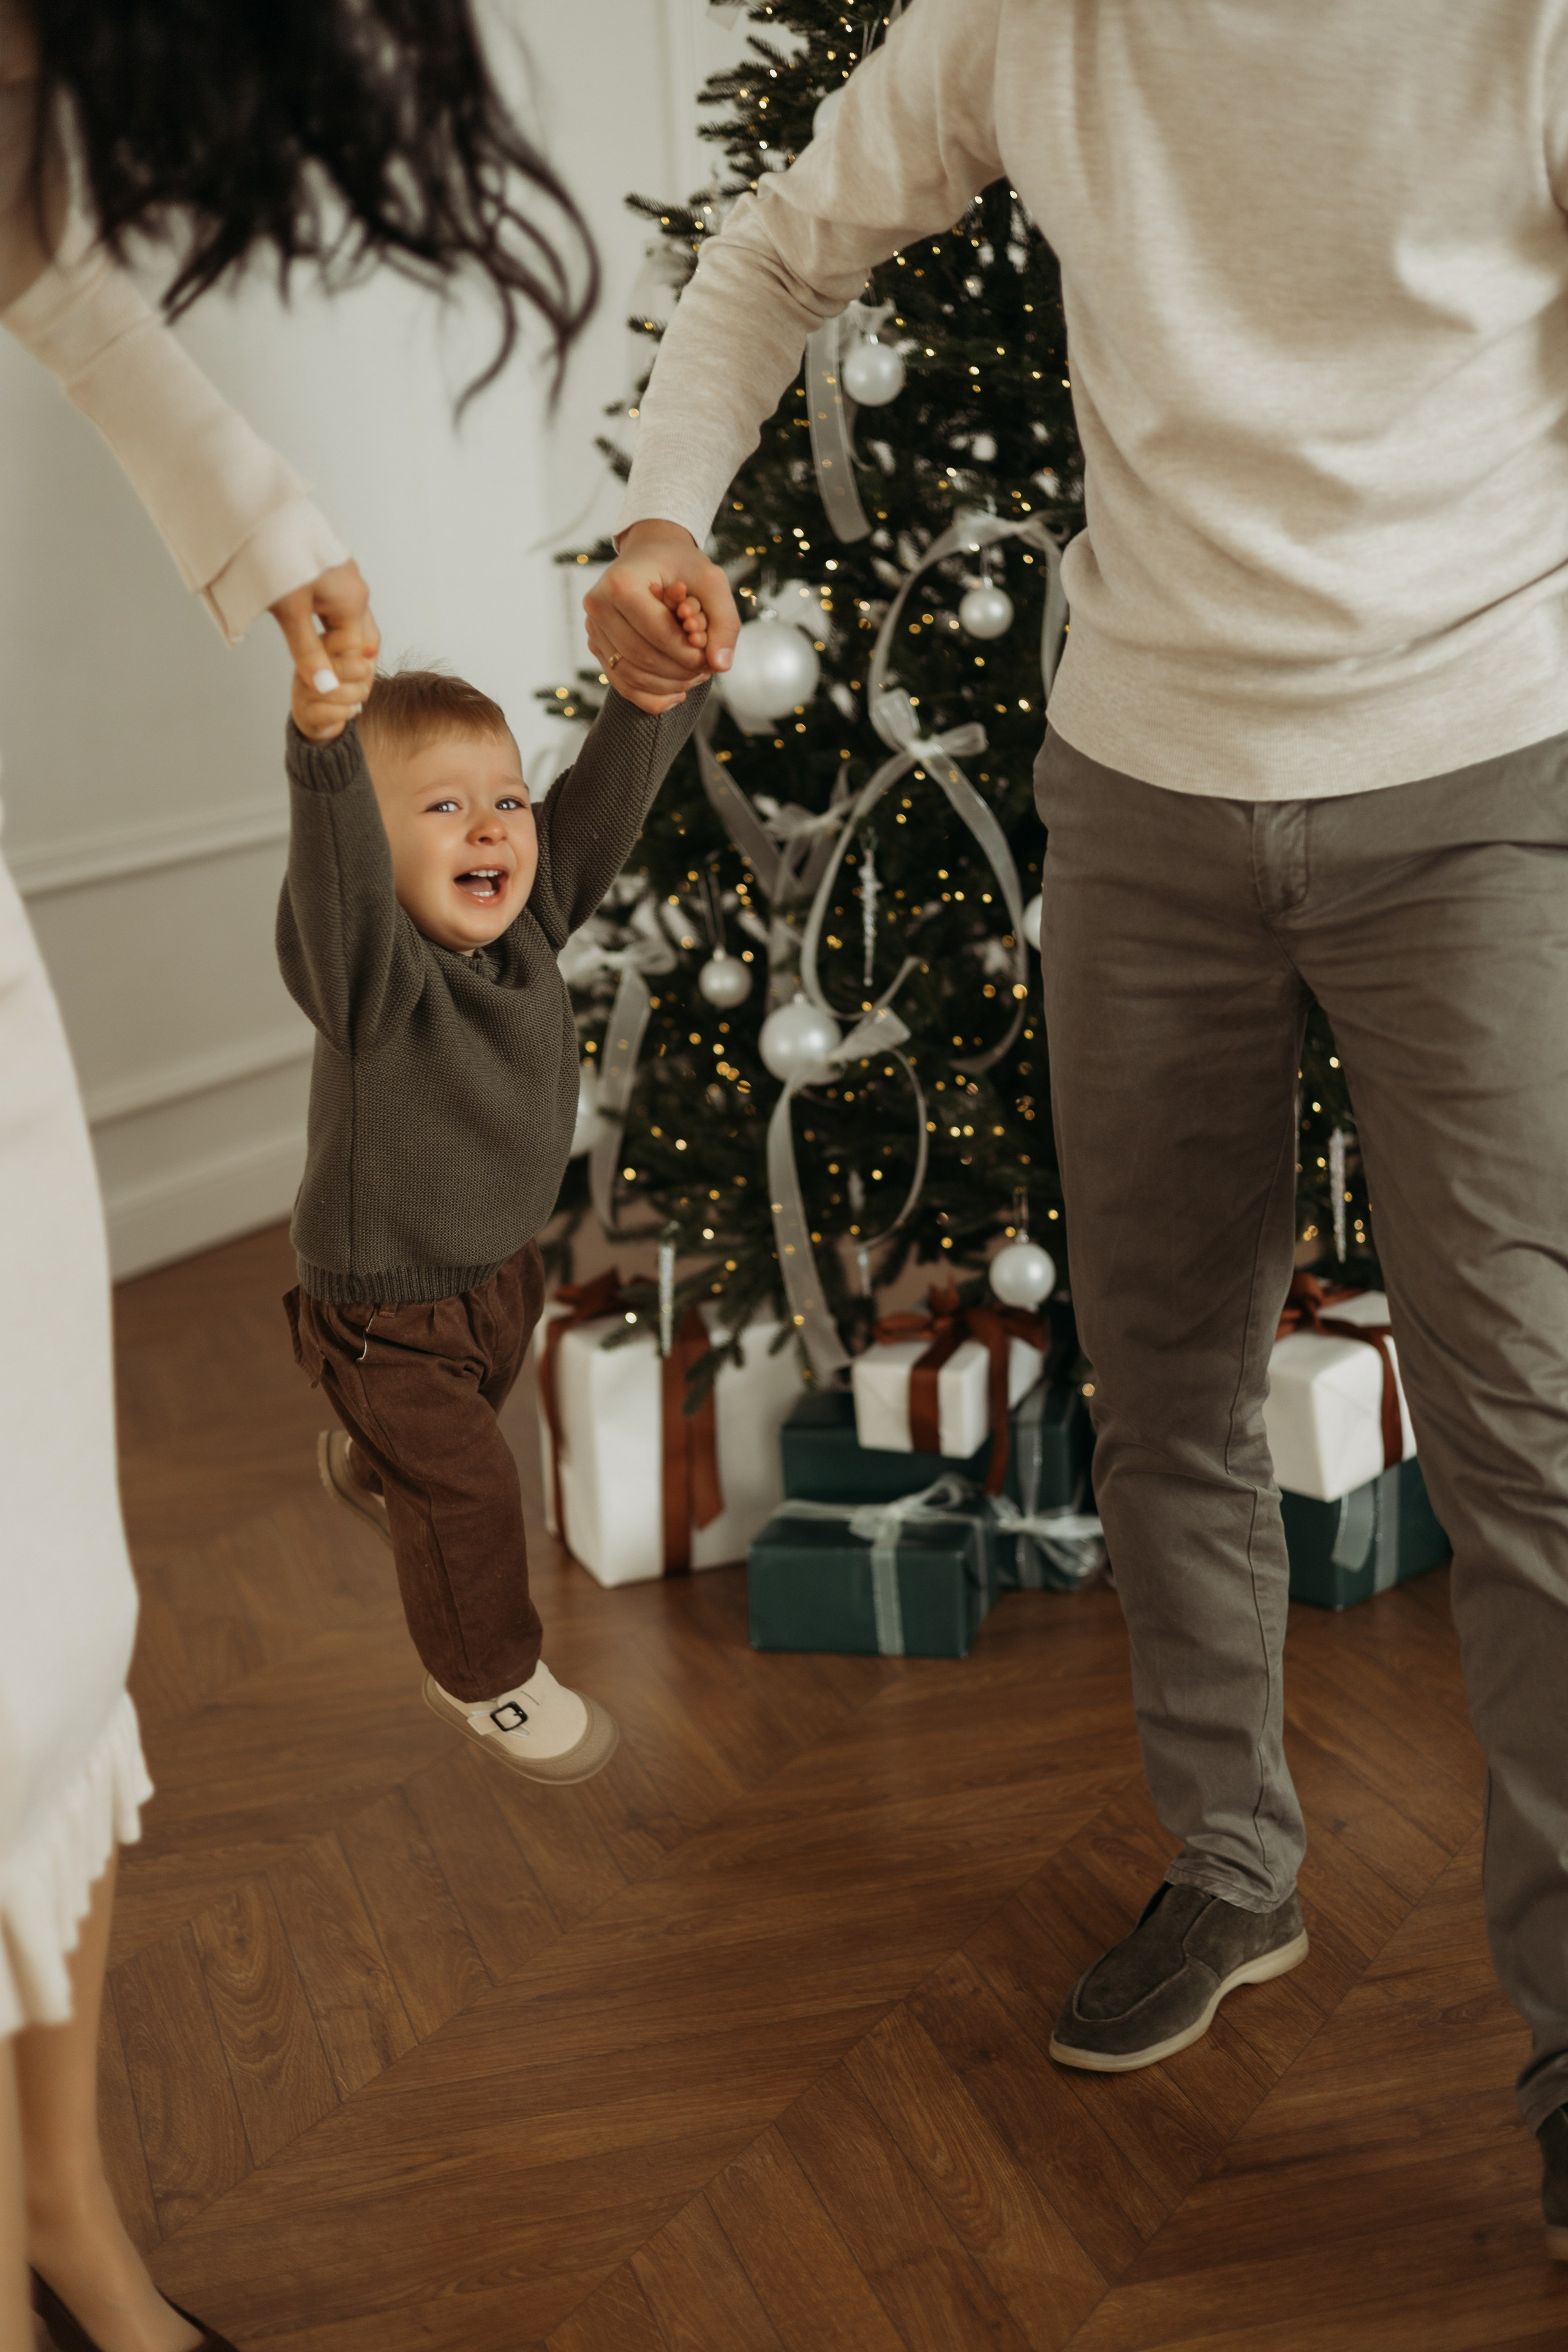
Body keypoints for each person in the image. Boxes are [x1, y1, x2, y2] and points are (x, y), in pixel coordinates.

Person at [586, 0, 1568, 2261]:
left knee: (1527, 1437)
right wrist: (661, 506)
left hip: (1482, 781)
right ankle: (1233, 1869)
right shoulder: (1029, 15)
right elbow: (772, 246)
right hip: (1144, 795)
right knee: (1168, 1388)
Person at [0, 3, 595, 2347]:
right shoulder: (369, 918)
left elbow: (39, 262)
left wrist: (266, 525)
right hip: (386, 1304)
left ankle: (70, 2228)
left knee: (48, 1631)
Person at [281, 650, 707, 1783]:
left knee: (447, 1446)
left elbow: (601, 807)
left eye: (505, 802)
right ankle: (486, 1681)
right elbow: (330, 885)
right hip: (389, 1310)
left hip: (498, 1275)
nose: (491, 831)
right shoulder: (373, 974)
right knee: (469, 1482)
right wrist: (324, 762)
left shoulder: (530, 924)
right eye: (446, 807)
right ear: (374, 854)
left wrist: (650, 698)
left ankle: (378, 1467)